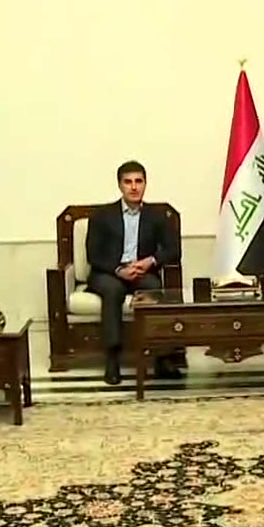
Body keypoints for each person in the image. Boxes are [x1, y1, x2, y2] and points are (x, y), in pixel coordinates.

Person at [85, 160, 181, 385]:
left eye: (139, 181)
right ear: (120, 185)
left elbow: (173, 249)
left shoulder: (157, 216)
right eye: (128, 182)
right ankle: (112, 359)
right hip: (108, 273)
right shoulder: (102, 215)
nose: (134, 187)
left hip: (140, 271)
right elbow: (93, 254)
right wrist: (119, 269)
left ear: (145, 184)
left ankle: (162, 357)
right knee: (113, 291)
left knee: (154, 287)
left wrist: (150, 261)